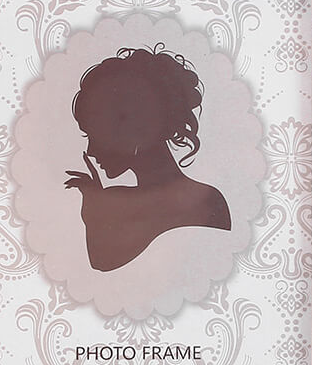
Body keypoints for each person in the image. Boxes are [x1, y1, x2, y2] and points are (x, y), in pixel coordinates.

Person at [65, 44, 230, 271]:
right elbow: (101, 266)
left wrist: (98, 212)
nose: (90, 152)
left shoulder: (207, 201)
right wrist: (95, 210)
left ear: (134, 131)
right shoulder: (115, 200)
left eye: (97, 135)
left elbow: (106, 263)